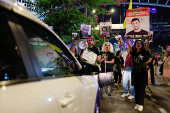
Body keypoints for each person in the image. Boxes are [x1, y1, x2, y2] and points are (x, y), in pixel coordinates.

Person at [125, 33, 150, 112]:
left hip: (142, 71)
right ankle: (137, 103)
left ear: (142, 45)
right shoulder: (133, 52)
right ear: (135, 45)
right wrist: (127, 39)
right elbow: (129, 46)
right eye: (137, 43)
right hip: (135, 71)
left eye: (140, 43)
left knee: (141, 88)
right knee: (136, 88)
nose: (138, 44)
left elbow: (147, 46)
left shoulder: (144, 51)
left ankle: (141, 104)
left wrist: (148, 39)